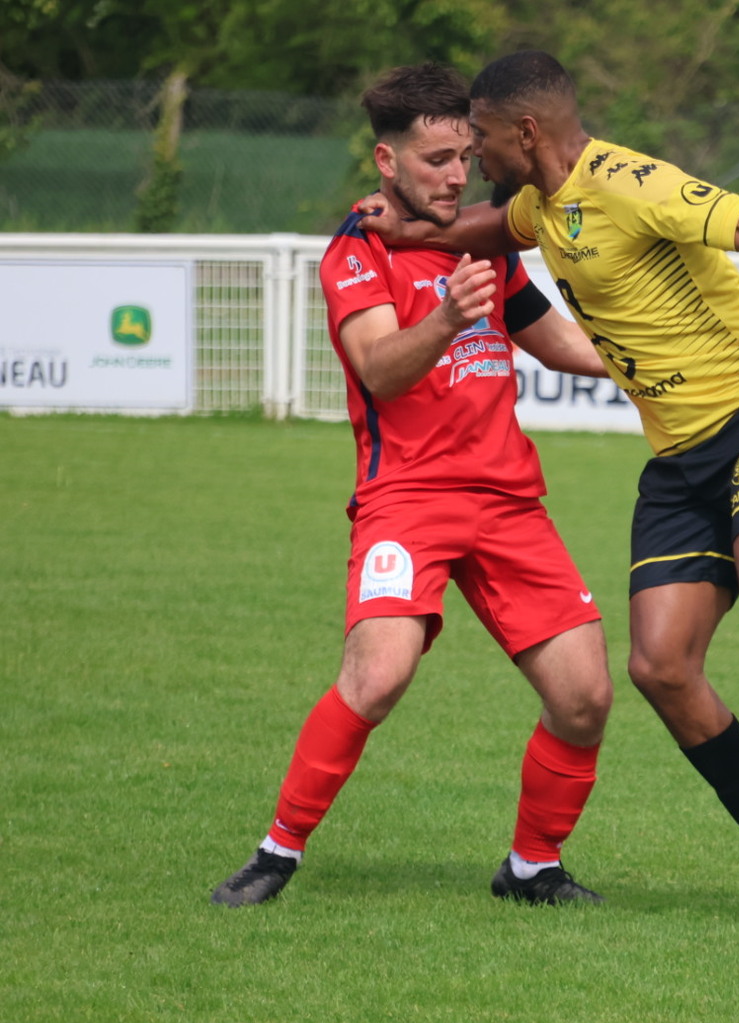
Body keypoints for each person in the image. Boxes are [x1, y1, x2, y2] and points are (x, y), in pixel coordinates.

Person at [361, 49, 739, 924]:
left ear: (526, 131)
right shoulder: (539, 205)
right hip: (680, 456)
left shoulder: (630, 183)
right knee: (660, 665)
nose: (475, 155)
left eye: (483, 138)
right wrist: (404, 233)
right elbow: (487, 229)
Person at [210, 63, 615, 908]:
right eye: (437, 160)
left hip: (507, 501)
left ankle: (532, 867)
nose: (458, 175)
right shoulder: (355, 251)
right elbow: (380, 369)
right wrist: (447, 317)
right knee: (378, 675)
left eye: (465, 156)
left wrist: (655, 357)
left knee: (585, 696)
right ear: (387, 160)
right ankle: (276, 853)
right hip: (407, 498)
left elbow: (565, 345)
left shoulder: (477, 245)